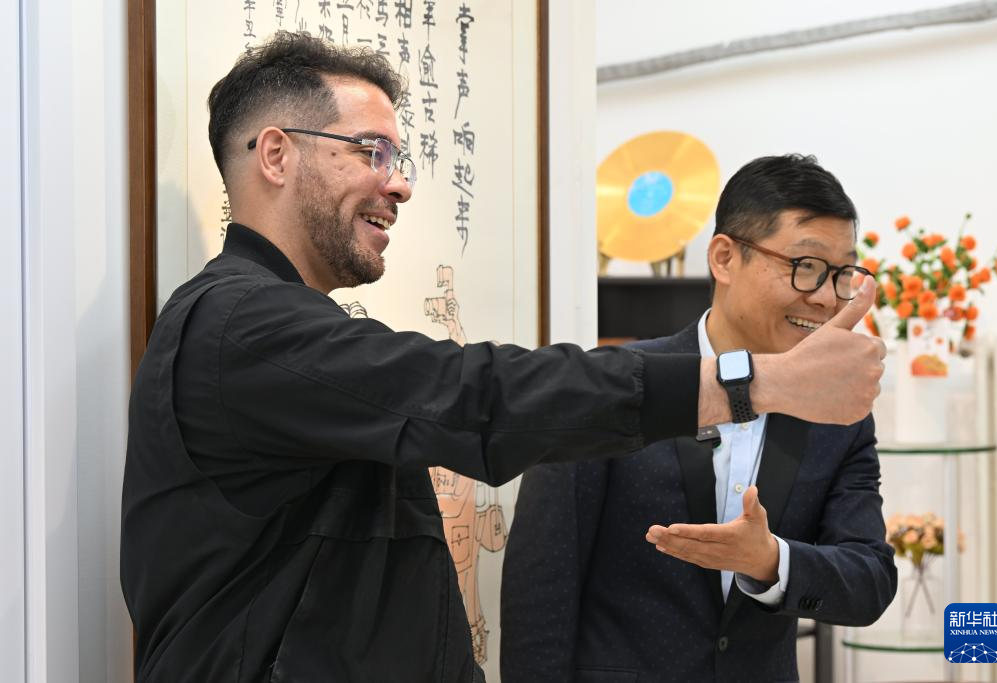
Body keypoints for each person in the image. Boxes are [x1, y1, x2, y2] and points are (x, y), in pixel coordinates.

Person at [120, 32, 884, 683]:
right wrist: (755, 382)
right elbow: (478, 398)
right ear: (276, 154)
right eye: (371, 151)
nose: (399, 183)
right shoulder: (241, 326)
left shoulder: (276, 325)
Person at [500, 155, 898, 683]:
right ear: (725, 258)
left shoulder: (839, 413)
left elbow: (870, 580)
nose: (826, 298)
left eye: (843, 273)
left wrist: (771, 561)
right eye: (805, 266)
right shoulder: (615, 385)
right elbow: (541, 592)